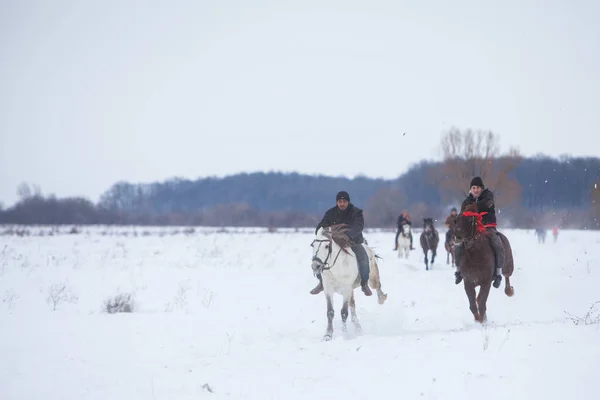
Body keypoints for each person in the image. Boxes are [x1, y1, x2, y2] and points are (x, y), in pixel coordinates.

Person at [310, 191, 372, 296]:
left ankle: (364, 283)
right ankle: (321, 283)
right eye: (339, 201)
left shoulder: (356, 212)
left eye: (344, 201)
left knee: (364, 259)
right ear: (337, 202)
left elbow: (359, 226)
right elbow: (322, 224)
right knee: (319, 257)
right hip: (335, 242)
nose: (341, 204)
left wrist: (348, 235)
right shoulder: (331, 213)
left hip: (353, 241)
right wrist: (319, 233)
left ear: (348, 202)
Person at [454, 177, 505, 289]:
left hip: (488, 227)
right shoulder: (466, 201)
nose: (476, 190)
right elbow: (462, 216)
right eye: (473, 188)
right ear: (470, 189)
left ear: (482, 188)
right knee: (457, 245)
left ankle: (498, 273)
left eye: (477, 188)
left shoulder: (488, 195)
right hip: (472, 230)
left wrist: (473, 207)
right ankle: (458, 271)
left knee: (498, 244)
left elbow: (487, 204)